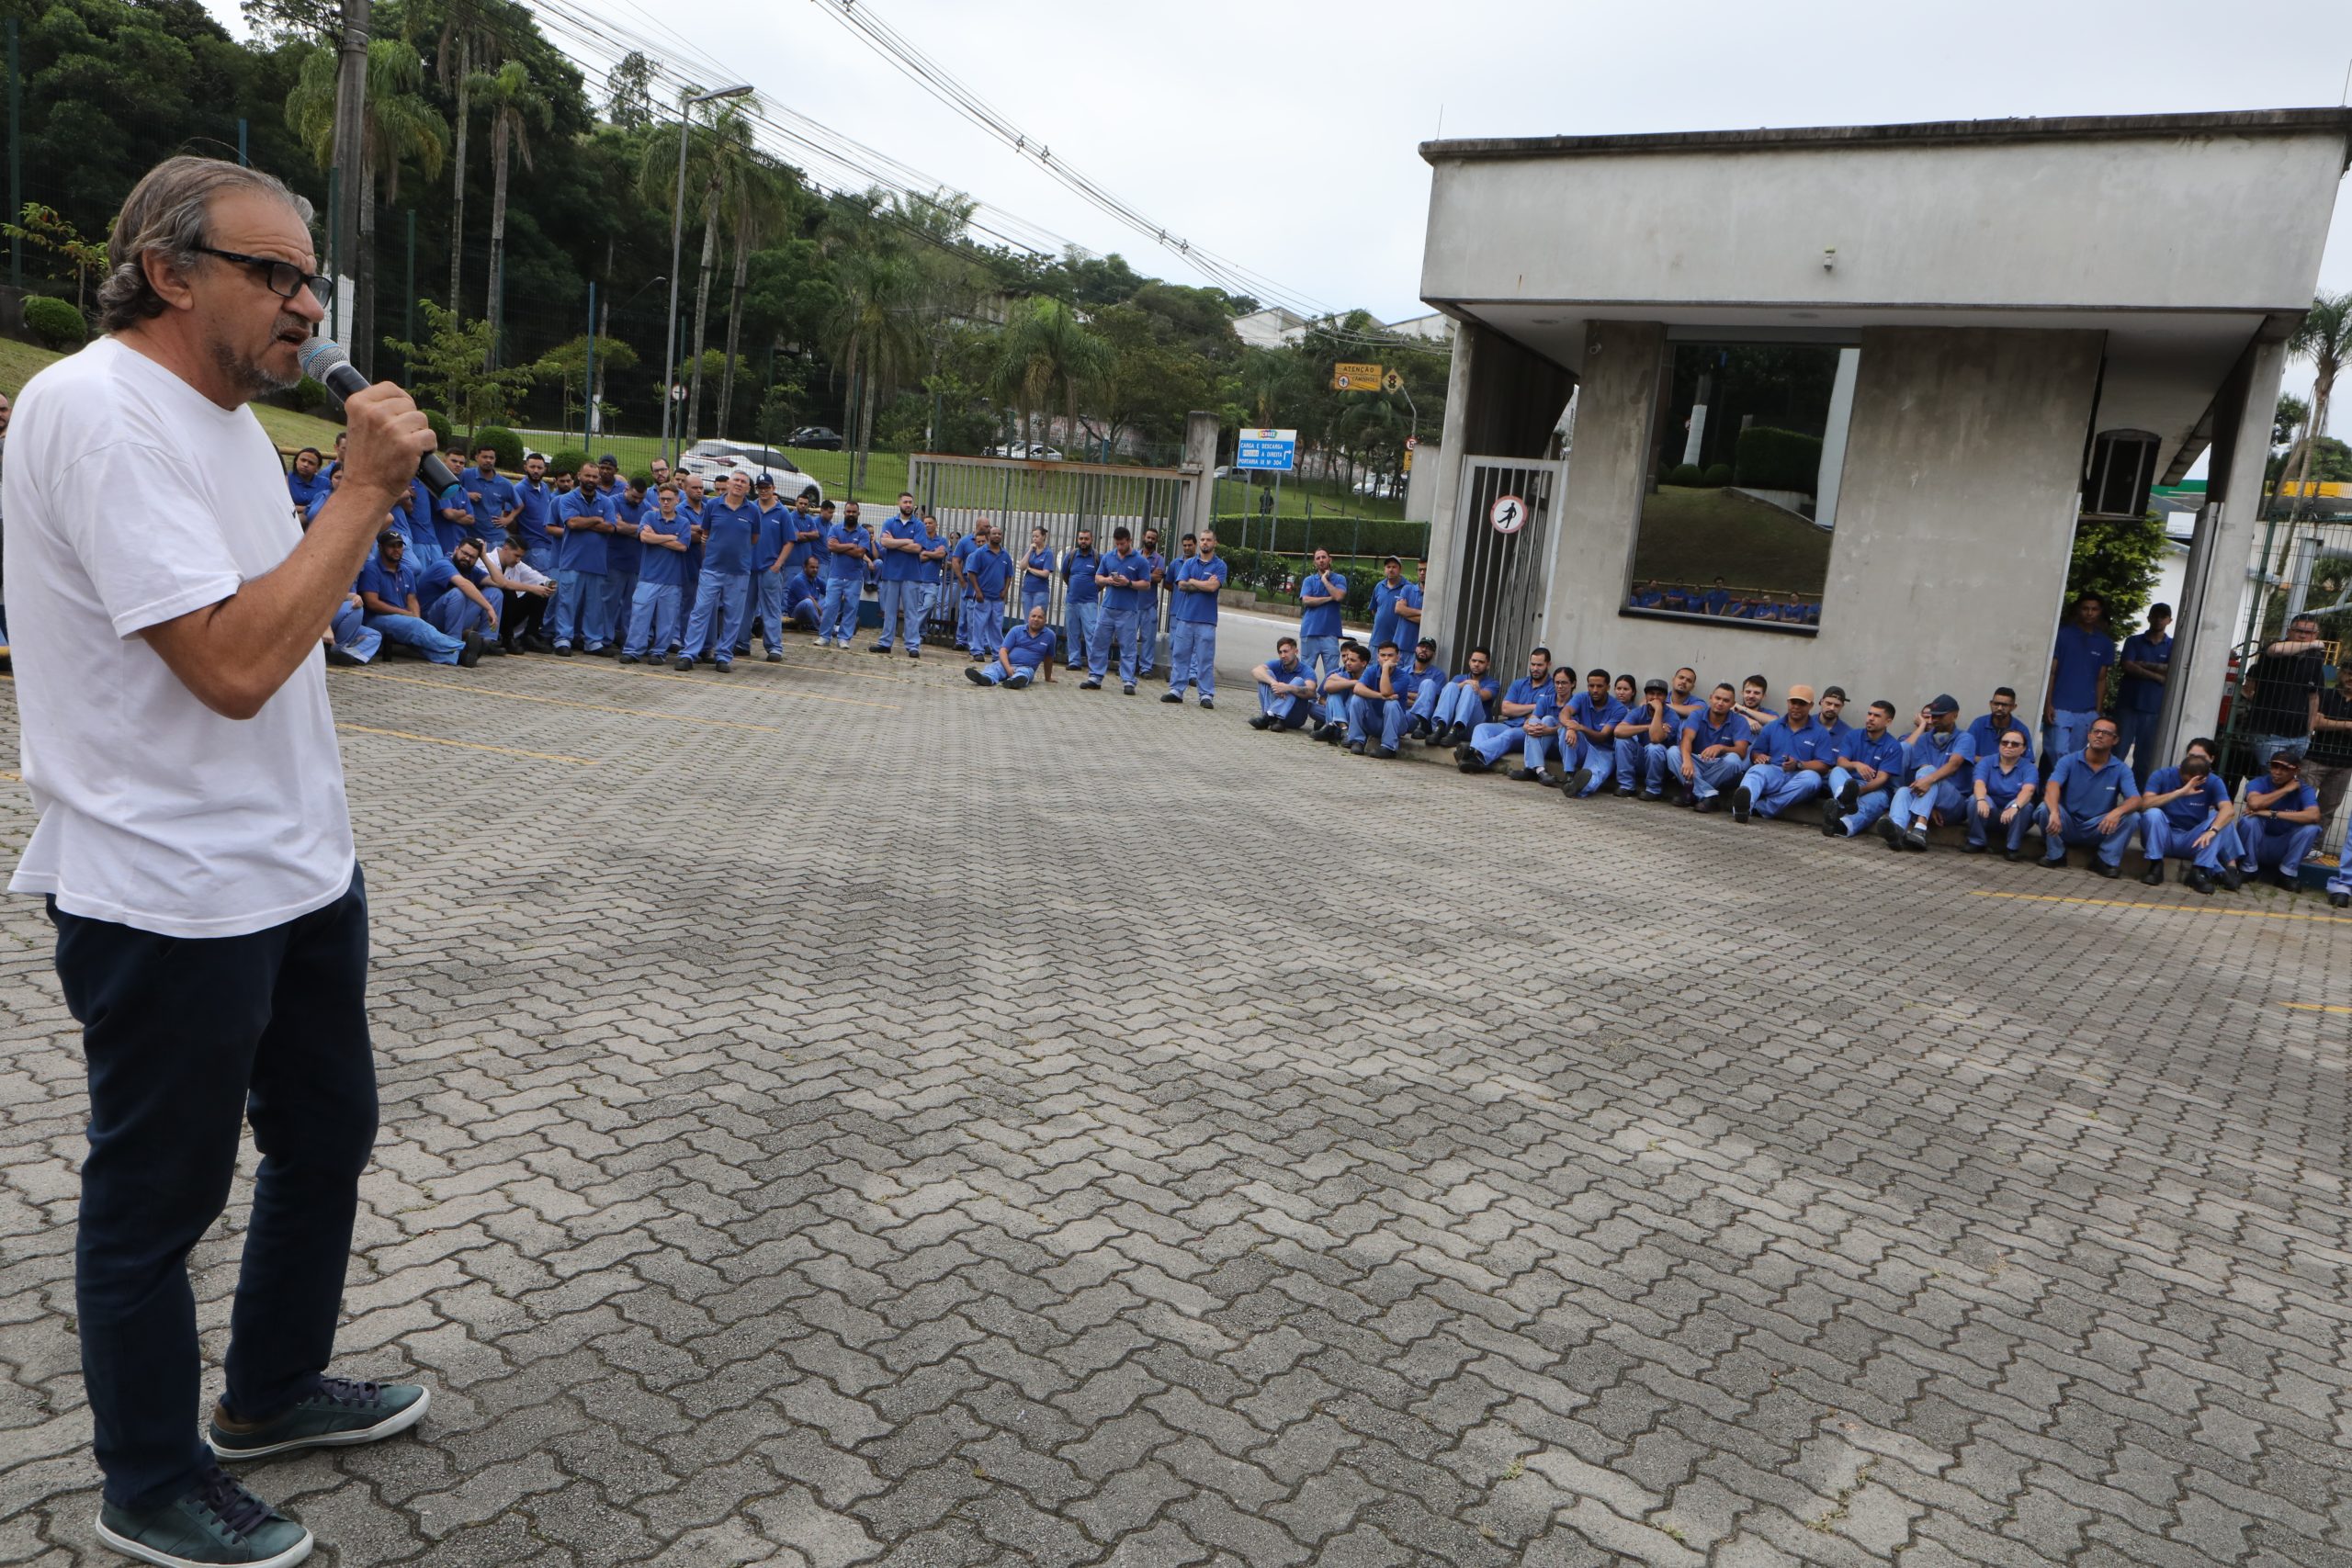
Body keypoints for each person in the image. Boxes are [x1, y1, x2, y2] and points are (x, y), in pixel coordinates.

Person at [5, 157, 435, 1567]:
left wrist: (338, 514)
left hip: (295, 863)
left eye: (313, 280)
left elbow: (279, 620)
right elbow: (235, 666)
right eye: (277, 275)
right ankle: (149, 1475)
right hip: (168, 885)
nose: (308, 306)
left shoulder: (227, 419)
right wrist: (360, 496)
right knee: (158, 1195)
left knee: (326, 1134)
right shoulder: (99, 413)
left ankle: (269, 1388)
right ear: (173, 270)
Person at [2034, 716, 2143, 876]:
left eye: (2105, 733)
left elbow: (2136, 800)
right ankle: (2055, 854)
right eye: (2096, 731)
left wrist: (2117, 812)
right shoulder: (2069, 761)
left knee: (2133, 817)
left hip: (2098, 827)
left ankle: (2105, 860)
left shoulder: (2121, 769)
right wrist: (2055, 812)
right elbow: (2052, 786)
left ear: (2115, 740)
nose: (2099, 735)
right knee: (2045, 809)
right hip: (2066, 823)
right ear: (2089, 735)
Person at [356, 529, 483, 666]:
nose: (396, 549)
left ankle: (460, 657)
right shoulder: (371, 569)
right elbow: (372, 603)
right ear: (380, 547)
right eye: (391, 546)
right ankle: (462, 647)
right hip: (376, 620)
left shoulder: (406, 571)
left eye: (399, 546)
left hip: (403, 619)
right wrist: (406, 615)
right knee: (416, 626)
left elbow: (412, 599)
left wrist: (416, 617)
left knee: (419, 640)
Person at [678, 471, 758, 672]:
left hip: (739, 572)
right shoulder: (713, 506)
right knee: (700, 611)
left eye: (743, 482)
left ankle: (723, 657)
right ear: (729, 484)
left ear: (748, 488)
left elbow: (754, 538)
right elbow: (705, 534)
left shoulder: (753, 511)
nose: (739, 484)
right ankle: (689, 654)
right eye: (736, 480)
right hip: (712, 569)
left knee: (733, 616)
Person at [2135, 738, 2232, 892]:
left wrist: (2212, 830)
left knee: (2219, 818)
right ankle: (2155, 866)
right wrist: (2180, 792)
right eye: (2191, 756)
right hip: (2163, 837)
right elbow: (2143, 804)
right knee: (2153, 814)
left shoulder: (2213, 781)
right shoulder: (2162, 774)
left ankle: (2199, 872)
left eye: (2201, 758)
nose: (2195, 762)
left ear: (2211, 761)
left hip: (2192, 840)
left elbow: (2228, 809)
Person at [1731, 683, 1833, 822]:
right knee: (1756, 771)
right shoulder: (1773, 726)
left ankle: (1761, 808)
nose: (1796, 706)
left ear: (1811, 706)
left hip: (1800, 777)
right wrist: (1759, 757)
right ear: (1788, 702)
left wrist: (1798, 765)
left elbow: (1824, 765)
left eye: (1802, 703)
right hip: (1774, 771)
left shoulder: (1820, 733)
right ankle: (1742, 809)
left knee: (1812, 779)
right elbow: (1756, 752)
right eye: (1793, 702)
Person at [2243, 614, 2328, 774]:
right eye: (2298, 630)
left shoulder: (2315, 659)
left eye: (2309, 633)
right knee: (2273, 778)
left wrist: (2309, 733)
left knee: (2288, 780)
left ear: (2315, 635)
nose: (2303, 635)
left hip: (2299, 737)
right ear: (2289, 632)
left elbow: (2313, 697)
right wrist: (2316, 643)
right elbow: (2276, 650)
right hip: (2269, 733)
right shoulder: (2275, 648)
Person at [1881, 695, 1969, 852]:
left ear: (1955, 715)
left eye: (1940, 715)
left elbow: (1954, 765)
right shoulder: (1923, 740)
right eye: (1933, 716)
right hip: (1928, 800)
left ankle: (1920, 828)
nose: (1935, 720)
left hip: (1954, 803)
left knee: (1929, 772)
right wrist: (1929, 807)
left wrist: (1928, 782)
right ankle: (1897, 830)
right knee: (1903, 791)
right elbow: (1923, 776)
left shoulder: (1965, 738)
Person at [2230, 750, 2322, 892]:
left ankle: (2286, 874)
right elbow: (2254, 804)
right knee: (2249, 821)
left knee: (2312, 829)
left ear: (2296, 771)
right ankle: (2248, 869)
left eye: (2285, 768)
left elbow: (2314, 815)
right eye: (2274, 766)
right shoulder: (2259, 782)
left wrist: (2272, 813)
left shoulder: (2304, 789)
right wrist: (2286, 790)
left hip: (2284, 844)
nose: (2277, 772)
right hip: (2259, 843)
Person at [547, 461, 613, 655]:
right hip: (571, 562)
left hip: (597, 563)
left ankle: (593, 642)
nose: (591, 480)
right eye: (588, 476)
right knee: (567, 602)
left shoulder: (606, 502)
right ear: (579, 476)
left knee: (594, 606)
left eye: (595, 476)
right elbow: (572, 523)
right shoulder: (566, 499)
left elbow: (610, 528)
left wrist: (585, 522)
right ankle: (563, 640)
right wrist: (595, 520)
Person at [622, 483, 692, 664]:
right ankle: (633, 650)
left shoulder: (683, 523)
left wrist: (656, 538)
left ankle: (659, 652)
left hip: (672, 580)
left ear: (677, 500)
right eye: (662, 499)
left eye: (669, 499)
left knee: (667, 620)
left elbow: (682, 546)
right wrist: (670, 537)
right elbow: (644, 537)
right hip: (648, 577)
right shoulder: (649, 516)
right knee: (639, 615)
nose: (666, 502)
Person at [2043, 592, 2115, 765]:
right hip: (2060, 707)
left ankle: (2064, 790)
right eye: (2085, 609)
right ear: (2078, 610)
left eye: (2094, 609)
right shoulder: (2062, 635)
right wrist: (2047, 704)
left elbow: (2101, 679)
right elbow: (2051, 672)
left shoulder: (2105, 643)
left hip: (2087, 711)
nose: (2090, 613)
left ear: (2100, 612)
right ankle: (2054, 788)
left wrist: (2097, 712)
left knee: (2077, 756)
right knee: (2058, 751)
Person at [1820, 700, 1909, 839]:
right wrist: (1856, 764)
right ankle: (1844, 799)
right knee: (1837, 771)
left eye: (1877, 716)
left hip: (1875, 789)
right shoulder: (1853, 735)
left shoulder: (1893, 746)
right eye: (1869, 714)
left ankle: (1840, 826)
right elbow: (1841, 762)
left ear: (1888, 722)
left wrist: (1858, 792)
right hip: (1848, 783)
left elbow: (1882, 778)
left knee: (1872, 803)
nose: (1870, 718)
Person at [1453, 647, 1552, 773]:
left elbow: (1543, 714)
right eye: (1532, 664)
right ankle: (1476, 761)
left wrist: (1519, 709)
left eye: (1539, 665)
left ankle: (1473, 754)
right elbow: (1505, 709)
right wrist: (1535, 706)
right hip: (1508, 724)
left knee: (1509, 735)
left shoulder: (1552, 688)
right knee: (1481, 728)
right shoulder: (1519, 683)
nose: (1535, 668)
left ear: (1548, 664)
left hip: (1527, 730)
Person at [1160, 529, 1228, 707]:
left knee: (1205, 660)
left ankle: (1206, 694)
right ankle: (1176, 690)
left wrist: (1194, 582)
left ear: (1215, 543)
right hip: (1185, 618)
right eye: (1203, 540)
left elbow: (1213, 587)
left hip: (1206, 621)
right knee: (1180, 656)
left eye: (1208, 540)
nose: (1205, 543)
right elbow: (1181, 585)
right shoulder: (1189, 563)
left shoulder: (1220, 565)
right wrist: (1204, 584)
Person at [1962, 728, 2040, 860]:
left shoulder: (2029, 768)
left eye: (2015, 744)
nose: (2009, 746)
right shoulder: (1986, 762)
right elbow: (1979, 783)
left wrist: (2015, 807)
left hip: (2013, 818)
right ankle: (1976, 841)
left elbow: (2028, 790)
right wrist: (1981, 800)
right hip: (1989, 814)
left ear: (2024, 749)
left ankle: (2012, 848)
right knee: (1974, 800)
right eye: (2005, 742)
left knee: (2025, 806)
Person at [2113, 604, 2172, 774]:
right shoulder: (2134, 641)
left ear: (2169, 620)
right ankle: (2109, 794)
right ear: (2149, 617)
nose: (2159, 619)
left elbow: (2171, 669)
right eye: (2155, 615)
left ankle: (2138, 797)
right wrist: (2157, 675)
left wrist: (2141, 664)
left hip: (2154, 708)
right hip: (2128, 705)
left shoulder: (2173, 645)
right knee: (2117, 753)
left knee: (2145, 758)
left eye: (2163, 616)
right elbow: (2127, 666)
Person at [1088, 526, 1147, 693]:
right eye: (1117, 544)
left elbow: (1146, 584)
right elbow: (1098, 578)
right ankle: (1095, 677)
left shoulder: (1140, 560)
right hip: (1107, 608)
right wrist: (1107, 580)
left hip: (1128, 611)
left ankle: (1128, 681)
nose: (1120, 547)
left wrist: (1128, 583)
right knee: (1099, 642)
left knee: (1128, 646)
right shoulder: (1108, 556)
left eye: (1122, 544)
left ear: (1129, 541)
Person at [1678, 683, 1755, 810]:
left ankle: (1693, 792)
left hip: (1719, 765)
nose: (1720, 703)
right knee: (1673, 753)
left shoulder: (1739, 721)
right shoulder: (1697, 715)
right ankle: (1709, 795)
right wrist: (1687, 761)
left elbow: (1741, 751)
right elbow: (1687, 739)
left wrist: (1721, 747)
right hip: (1696, 762)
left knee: (1734, 760)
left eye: (1726, 700)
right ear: (1711, 698)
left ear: (1732, 704)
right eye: (1717, 698)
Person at [869, 491, 927, 657]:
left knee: (911, 612)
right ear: (899, 503)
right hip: (891, 574)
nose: (908, 505)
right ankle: (885, 643)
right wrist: (907, 541)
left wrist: (895, 543)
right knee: (890, 611)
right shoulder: (889, 522)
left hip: (911, 574)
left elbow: (917, 548)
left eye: (910, 502)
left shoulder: (919, 525)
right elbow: (884, 542)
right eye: (905, 502)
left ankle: (913, 645)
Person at [1558, 669, 1631, 797]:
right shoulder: (1581, 698)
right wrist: (1571, 727)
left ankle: (1578, 788)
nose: (1595, 690)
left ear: (1608, 687)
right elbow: (1565, 712)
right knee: (1564, 730)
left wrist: (1580, 727)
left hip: (1604, 751)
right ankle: (1569, 775)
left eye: (1599, 686)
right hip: (1584, 746)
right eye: (1591, 686)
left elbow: (1602, 737)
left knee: (1595, 776)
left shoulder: (1619, 709)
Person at [416, 535, 502, 642]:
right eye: (465, 553)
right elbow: (464, 584)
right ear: (456, 550)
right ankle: (454, 643)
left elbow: (499, 582)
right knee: (457, 593)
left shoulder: (470, 569)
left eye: (472, 557)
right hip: (430, 621)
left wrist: (484, 557)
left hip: (454, 618)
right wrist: (489, 608)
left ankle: (486, 641)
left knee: (494, 593)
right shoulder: (443, 564)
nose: (467, 558)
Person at [2304, 659, 2352, 836]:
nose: (2351, 678)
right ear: (2340, 673)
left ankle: (2315, 845)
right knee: (2302, 802)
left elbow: (2323, 722)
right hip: (2314, 758)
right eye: (2348, 673)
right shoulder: (2325, 694)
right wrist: (2347, 726)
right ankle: (2293, 840)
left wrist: (2329, 723)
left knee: (2328, 809)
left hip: (2345, 764)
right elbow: (2315, 721)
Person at [816, 498, 872, 650]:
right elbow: (831, 546)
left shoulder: (863, 533)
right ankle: (824, 636)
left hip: (854, 578)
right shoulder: (835, 529)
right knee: (830, 607)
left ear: (858, 513)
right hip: (835, 576)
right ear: (844, 512)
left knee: (851, 609)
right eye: (848, 511)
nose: (851, 514)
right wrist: (850, 545)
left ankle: (844, 638)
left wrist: (840, 547)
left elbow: (860, 552)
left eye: (854, 512)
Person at [1343, 639, 1411, 759]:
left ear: (1398, 658)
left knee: (1391, 703)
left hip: (1396, 724)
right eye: (1383, 655)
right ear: (1378, 657)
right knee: (1357, 699)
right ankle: (1357, 741)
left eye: (1390, 655)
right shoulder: (1371, 670)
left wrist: (1385, 670)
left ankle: (1389, 747)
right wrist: (1380, 696)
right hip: (1374, 721)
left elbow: (1386, 691)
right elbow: (1357, 688)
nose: (1386, 659)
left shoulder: (1403, 676)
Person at [488, 536, 555, 654]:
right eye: (516, 556)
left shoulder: (517, 565)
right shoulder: (487, 560)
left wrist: (550, 584)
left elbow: (537, 577)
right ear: (506, 549)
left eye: (521, 557)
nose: (518, 560)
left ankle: (530, 636)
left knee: (541, 590)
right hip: (489, 614)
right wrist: (533, 588)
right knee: (508, 591)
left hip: (507, 615)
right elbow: (504, 584)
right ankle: (507, 638)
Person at [965, 602, 1057, 688]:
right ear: (1028, 618)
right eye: (1033, 616)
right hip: (1006, 664)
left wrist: (1048, 678)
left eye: (1040, 617)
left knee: (1024, 673)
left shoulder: (1050, 636)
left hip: (1027, 668)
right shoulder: (1016, 630)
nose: (1036, 619)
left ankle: (1014, 682)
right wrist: (1008, 667)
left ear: (1045, 620)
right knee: (995, 668)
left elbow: (1049, 658)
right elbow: (1003, 651)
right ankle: (986, 679)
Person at [1419, 649, 1498, 745]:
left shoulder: (1493, 683)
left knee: (1469, 688)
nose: (1476, 664)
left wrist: (1468, 686)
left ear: (1488, 665)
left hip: (1473, 728)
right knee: (1451, 686)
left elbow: (1484, 696)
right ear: (1469, 662)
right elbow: (1446, 694)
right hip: (1450, 728)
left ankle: (1457, 729)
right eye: (1474, 661)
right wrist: (1464, 683)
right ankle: (1440, 727)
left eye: (1481, 662)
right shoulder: (1459, 678)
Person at [604, 474, 646, 655]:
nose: (637, 501)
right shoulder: (612, 502)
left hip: (636, 564)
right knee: (609, 603)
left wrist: (626, 526)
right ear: (626, 489)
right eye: (634, 496)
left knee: (632, 606)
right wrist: (639, 529)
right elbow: (615, 527)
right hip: (614, 561)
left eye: (640, 498)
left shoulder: (645, 507)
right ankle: (605, 639)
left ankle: (628, 640)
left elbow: (647, 531)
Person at [1296, 549, 1348, 685]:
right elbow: (1306, 601)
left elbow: (1339, 596)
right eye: (1317, 558)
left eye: (1324, 557)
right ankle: (1306, 699)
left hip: (1330, 633)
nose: (1321, 560)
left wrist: (1325, 580)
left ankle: (1327, 701)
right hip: (1310, 632)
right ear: (1314, 562)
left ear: (1330, 560)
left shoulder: (1339, 579)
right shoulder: (1309, 580)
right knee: (1306, 671)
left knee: (1332, 673)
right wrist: (1330, 598)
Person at [1249, 637, 1317, 730]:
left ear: (1296, 651)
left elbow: (1311, 691)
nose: (1283, 655)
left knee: (1298, 681)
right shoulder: (1277, 664)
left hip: (1295, 717)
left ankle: (1270, 716)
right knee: (1266, 675)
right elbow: (1255, 671)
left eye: (1286, 651)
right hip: (1274, 720)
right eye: (1280, 652)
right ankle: (1272, 717)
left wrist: (1288, 688)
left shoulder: (1307, 670)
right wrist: (1274, 683)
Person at [963, 523, 1010, 660]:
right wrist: (977, 591)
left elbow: (1009, 575)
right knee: (979, 625)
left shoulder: (1005, 555)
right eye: (994, 533)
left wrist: (1005, 591)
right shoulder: (980, 553)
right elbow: (971, 573)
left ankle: (997, 653)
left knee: (996, 626)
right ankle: (977, 651)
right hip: (983, 596)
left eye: (999, 534)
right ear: (989, 536)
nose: (997, 536)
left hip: (998, 598)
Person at [1061, 528, 1102, 676]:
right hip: (1072, 601)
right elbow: (1065, 575)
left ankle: (1094, 664)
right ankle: (1074, 661)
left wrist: (1094, 589)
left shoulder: (1098, 557)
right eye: (1081, 539)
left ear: (1092, 540)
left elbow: (1102, 578)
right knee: (1072, 633)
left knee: (1091, 633)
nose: (1083, 541)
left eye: (1086, 539)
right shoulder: (1071, 556)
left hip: (1089, 602)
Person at [1368, 556, 1422, 656]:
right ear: (1384, 569)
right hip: (1376, 642)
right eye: (1388, 567)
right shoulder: (1379, 586)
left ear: (1400, 569)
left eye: (1394, 567)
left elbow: (1407, 611)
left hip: (1397, 644)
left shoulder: (1408, 588)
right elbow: (1374, 610)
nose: (1391, 570)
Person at [1134, 527, 1168, 679]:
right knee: (1128, 638)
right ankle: (1127, 666)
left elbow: (1158, 578)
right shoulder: (1134, 555)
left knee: (1148, 639)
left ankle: (1145, 668)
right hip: (1133, 605)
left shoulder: (1159, 559)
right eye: (1148, 537)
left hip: (1149, 605)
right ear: (1143, 537)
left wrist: (1140, 575)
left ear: (1156, 541)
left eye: (1153, 538)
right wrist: (1149, 575)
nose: (1150, 540)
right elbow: (1131, 574)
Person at [510, 451, 555, 562]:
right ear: (525, 467)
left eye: (539, 468)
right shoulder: (519, 489)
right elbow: (510, 518)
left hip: (549, 544)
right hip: (533, 546)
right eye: (532, 467)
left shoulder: (545, 487)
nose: (536, 471)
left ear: (545, 469)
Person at [323, 588, 380, 666]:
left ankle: (345, 654)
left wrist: (355, 597)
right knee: (354, 608)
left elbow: (340, 595)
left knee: (375, 636)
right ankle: (336, 649)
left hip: (342, 622)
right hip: (323, 619)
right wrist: (326, 627)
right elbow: (318, 599)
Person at [1018, 526, 1055, 619]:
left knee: (1038, 619)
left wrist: (1030, 569)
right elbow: (1022, 566)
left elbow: (1045, 574)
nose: (1034, 538)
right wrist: (1030, 550)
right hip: (1027, 590)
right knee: (1028, 619)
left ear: (1044, 536)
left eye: (1037, 536)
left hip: (1040, 591)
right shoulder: (1030, 550)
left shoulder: (1048, 553)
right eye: (1033, 536)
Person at [285, 445, 325, 512]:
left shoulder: (325, 483)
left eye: (311, 463)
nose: (305, 465)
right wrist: (310, 508)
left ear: (317, 468)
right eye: (303, 460)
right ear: (296, 461)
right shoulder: (286, 479)